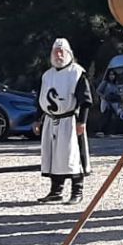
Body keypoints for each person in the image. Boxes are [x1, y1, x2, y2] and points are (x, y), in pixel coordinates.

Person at [36, 38, 91, 203]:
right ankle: (56, 191)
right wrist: (37, 120)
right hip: (50, 121)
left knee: (71, 156)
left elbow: (86, 100)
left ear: (68, 53)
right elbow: (40, 99)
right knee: (54, 156)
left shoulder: (76, 73)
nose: (58, 55)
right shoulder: (47, 75)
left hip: (69, 121)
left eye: (62, 51)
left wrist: (82, 122)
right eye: (55, 51)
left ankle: (77, 191)